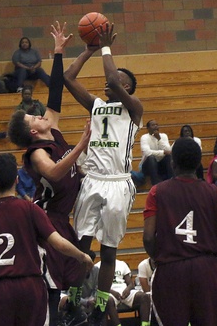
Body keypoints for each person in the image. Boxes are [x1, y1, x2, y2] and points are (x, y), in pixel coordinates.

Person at [7, 21, 93, 325]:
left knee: (77, 272)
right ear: (32, 130)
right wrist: (82, 144)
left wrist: (58, 52)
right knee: (55, 286)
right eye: (34, 115)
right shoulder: (37, 153)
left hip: (64, 217)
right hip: (46, 221)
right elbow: (55, 175)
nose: (42, 113)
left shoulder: (52, 131)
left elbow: (56, 91)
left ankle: (73, 311)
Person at [64, 23, 144, 325]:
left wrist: (107, 47)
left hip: (118, 183)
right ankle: (72, 300)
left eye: (120, 81)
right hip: (93, 180)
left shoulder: (134, 109)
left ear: (127, 89)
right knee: (80, 246)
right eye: (112, 80)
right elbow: (68, 77)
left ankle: (100, 305)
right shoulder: (96, 105)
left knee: (108, 250)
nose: (110, 82)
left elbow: (112, 76)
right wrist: (88, 51)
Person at [0, 153, 93, 326]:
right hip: (30, 288)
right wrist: (81, 256)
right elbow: (58, 242)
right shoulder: (31, 209)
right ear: (17, 180)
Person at [143, 137, 217, 326]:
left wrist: (161, 258)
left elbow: (148, 238)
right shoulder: (214, 192)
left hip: (170, 269)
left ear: (172, 163)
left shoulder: (156, 191)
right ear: (198, 163)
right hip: (207, 269)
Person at [95, 258, 151, 326]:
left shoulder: (122, 264)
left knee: (144, 296)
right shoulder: (97, 266)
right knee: (108, 300)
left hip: (124, 291)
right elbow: (98, 286)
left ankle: (145, 324)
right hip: (109, 292)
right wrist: (112, 292)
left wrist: (127, 290)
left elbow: (130, 284)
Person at [139, 120, 173, 186]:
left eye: (156, 124)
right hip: (147, 166)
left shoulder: (163, 136)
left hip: (161, 165)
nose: (155, 126)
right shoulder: (144, 137)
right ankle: (155, 185)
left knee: (169, 157)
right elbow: (147, 153)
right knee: (151, 158)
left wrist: (159, 139)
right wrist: (163, 152)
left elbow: (168, 150)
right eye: (153, 125)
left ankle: (172, 182)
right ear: (148, 128)